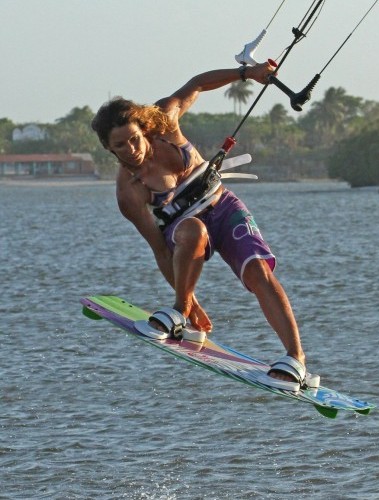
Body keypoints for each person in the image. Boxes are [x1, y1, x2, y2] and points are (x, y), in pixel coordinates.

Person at [91, 62, 318, 391]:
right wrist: (191, 304)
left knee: (258, 272)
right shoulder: (129, 192)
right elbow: (160, 249)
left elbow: (196, 84)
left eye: (134, 139)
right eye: (120, 146)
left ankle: (295, 359)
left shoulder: (165, 121)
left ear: (142, 129)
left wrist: (248, 73)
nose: (132, 150)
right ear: (109, 149)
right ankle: (180, 312)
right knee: (192, 230)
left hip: (223, 207)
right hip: (183, 229)